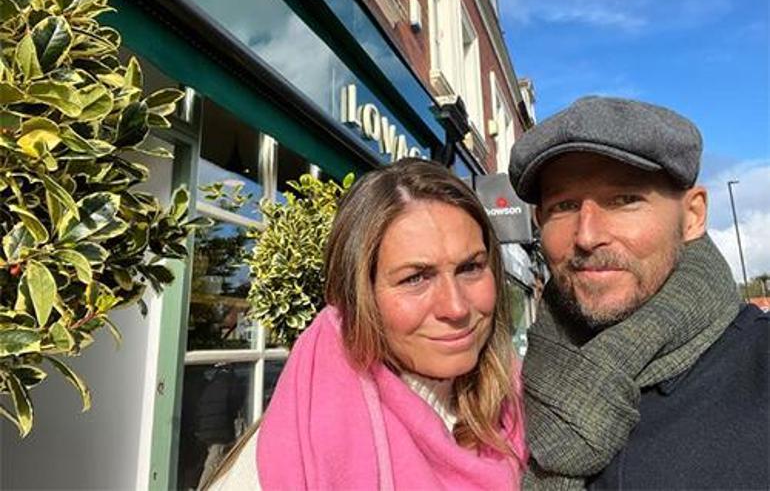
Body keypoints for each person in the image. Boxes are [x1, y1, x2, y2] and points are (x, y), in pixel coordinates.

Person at [206, 158, 527, 490]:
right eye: (415, 278)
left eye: (470, 268)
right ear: (360, 296)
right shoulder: (294, 457)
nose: (456, 307)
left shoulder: (519, 403)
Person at [508, 96, 769, 489]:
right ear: (539, 221)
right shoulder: (504, 397)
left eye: (624, 200)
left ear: (693, 215)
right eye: (564, 206)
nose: (587, 236)